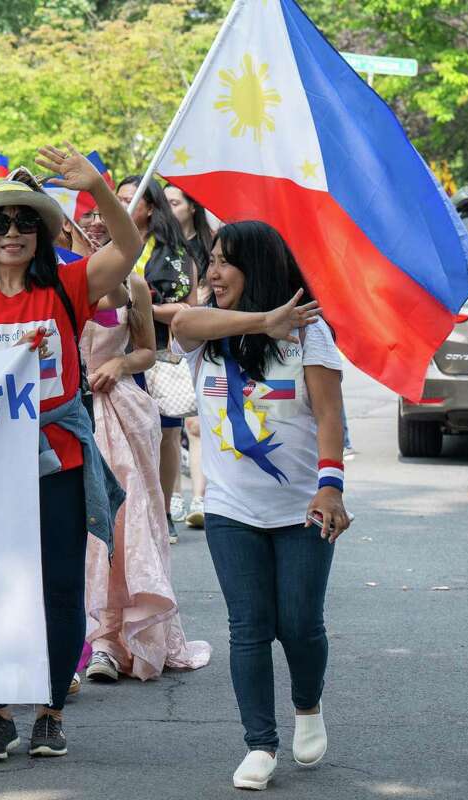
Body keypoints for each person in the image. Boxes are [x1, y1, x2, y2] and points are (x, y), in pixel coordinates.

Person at [0, 144, 142, 761]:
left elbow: (129, 250)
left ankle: (51, 710)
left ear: (42, 234)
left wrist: (99, 188)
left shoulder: (70, 284)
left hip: (60, 460)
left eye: (26, 222)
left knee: (57, 588)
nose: (12, 234)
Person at [172, 220, 348, 791]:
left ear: (261, 267)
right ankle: (259, 745)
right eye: (211, 261)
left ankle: (308, 706)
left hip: (302, 507)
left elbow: (328, 416)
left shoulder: (310, 335)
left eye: (225, 262)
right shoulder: (209, 330)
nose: (213, 273)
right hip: (229, 509)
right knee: (248, 626)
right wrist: (261, 321)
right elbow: (183, 321)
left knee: (298, 624)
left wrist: (331, 486)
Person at [78, 272, 211, 683]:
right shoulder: (49, 277)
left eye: (103, 216)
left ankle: (117, 639)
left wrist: (119, 363)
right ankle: (89, 639)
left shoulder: (131, 284)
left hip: (122, 413)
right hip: (67, 409)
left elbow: (146, 352)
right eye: (87, 217)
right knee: (79, 530)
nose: (96, 224)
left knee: (128, 523)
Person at [116, 176, 197, 542]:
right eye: (119, 200)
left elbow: (187, 307)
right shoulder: (107, 244)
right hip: (116, 351)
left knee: (165, 434)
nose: (124, 206)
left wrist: (145, 302)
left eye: (132, 200)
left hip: (161, 355)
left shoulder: (172, 252)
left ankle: (163, 511)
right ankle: (130, 512)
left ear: (150, 206)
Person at [165, 184, 217, 528]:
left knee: (196, 425)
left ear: (191, 207)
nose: (169, 209)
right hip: (167, 346)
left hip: (203, 337)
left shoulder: (208, 245)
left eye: (175, 202)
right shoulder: (158, 248)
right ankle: (174, 497)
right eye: (165, 203)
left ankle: (200, 497)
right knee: (170, 427)